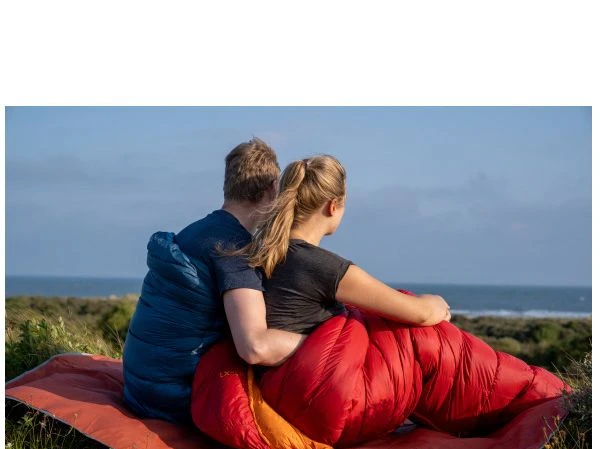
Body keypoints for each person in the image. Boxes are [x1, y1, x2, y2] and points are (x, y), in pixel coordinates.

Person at [121, 138, 305, 424]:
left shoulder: (193, 232)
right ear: (272, 188)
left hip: (138, 385)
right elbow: (254, 347)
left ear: (228, 184)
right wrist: (316, 341)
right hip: (174, 400)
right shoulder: (234, 251)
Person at [232, 154, 451, 336]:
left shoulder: (261, 252)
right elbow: (421, 314)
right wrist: (438, 303)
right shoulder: (321, 266)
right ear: (333, 206)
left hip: (272, 373)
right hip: (310, 375)